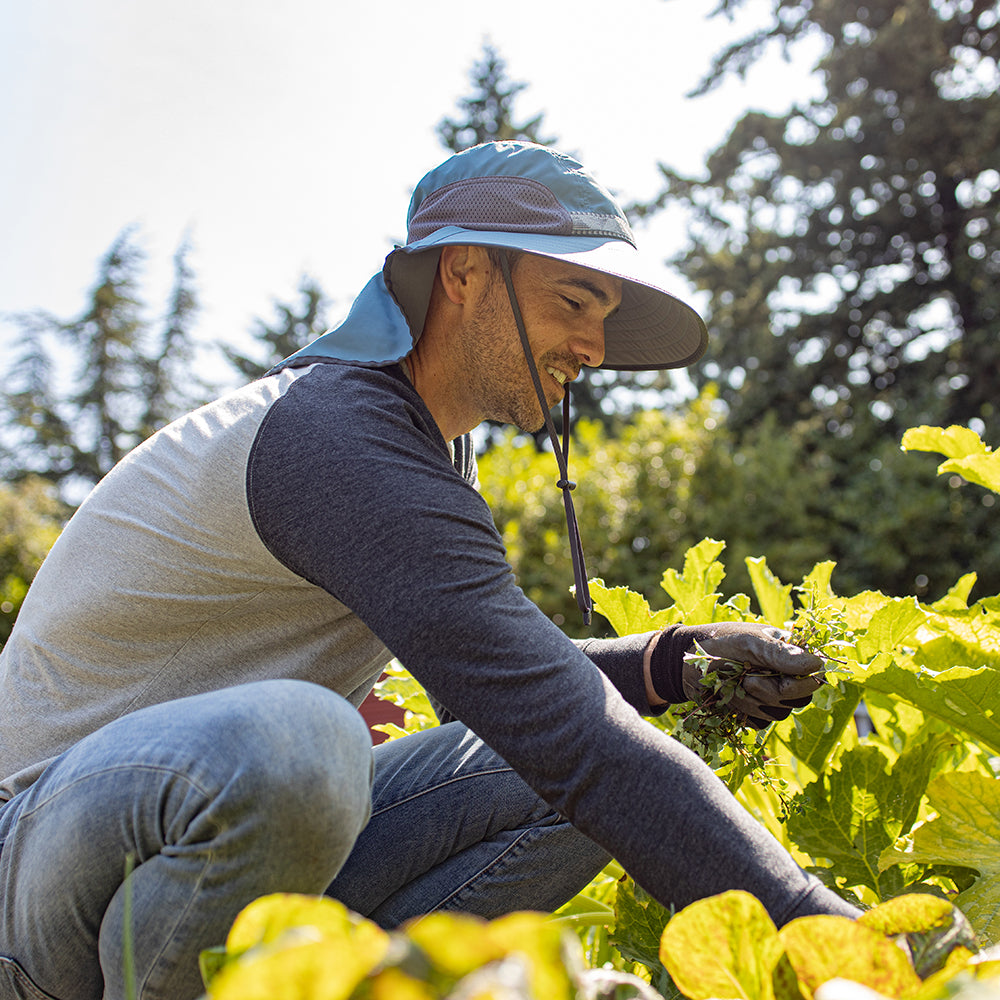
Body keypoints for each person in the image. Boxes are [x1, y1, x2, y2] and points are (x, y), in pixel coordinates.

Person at [0, 142, 858, 1000]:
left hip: (185, 859)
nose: (594, 347)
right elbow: (560, 724)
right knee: (301, 742)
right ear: (464, 270)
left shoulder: (435, 450)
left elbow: (492, 699)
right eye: (573, 301)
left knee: (549, 768)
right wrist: (831, 939)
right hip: (40, 864)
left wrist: (672, 663)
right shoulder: (334, 436)